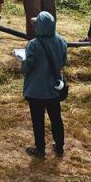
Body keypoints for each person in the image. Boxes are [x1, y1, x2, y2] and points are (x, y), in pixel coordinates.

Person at [22, 11, 67, 158]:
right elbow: (63, 62)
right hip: (54, 89)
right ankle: (59, 147)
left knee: (38, 121)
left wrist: (21, 62)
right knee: (56, 119)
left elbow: (27, 67)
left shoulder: (33, 44)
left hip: (35, 91)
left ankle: (40, 149)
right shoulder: (61, 41)